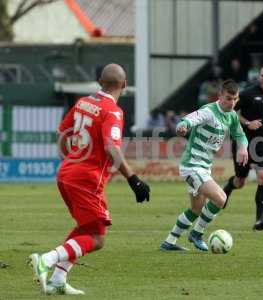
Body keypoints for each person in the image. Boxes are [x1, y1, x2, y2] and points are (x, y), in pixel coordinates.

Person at [28, 64, 150, 295]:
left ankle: (58, 279)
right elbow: (111, 147)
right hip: (86, 179)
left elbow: (62, 133)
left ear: (100, 82)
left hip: (67, 173)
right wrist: (133, 179)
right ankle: (47, 259)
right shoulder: (113, 112)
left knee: (86, 228)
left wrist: (69, 159)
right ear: (124, 85)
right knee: (97, 238)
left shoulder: (83, 102)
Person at [160, 79, 248, 251]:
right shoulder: (208, 111)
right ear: (220, 95)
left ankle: (169, 242)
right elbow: (190, 119)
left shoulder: (231, 116)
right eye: (229, 98)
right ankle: (197, 233)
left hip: (204, 167)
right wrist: (182, 126)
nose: (232, 103)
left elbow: (240, 135)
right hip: (192, 166)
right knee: (221, 198)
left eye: (235, 99)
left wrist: (243, 149)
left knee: (196, 209)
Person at [223, 63, 263, 231]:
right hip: (243, 142)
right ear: (259, 77)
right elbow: (231, 112)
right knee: (240, 181)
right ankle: (228, 189)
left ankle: (259, 219)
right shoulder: (247, 94)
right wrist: (248, 123)